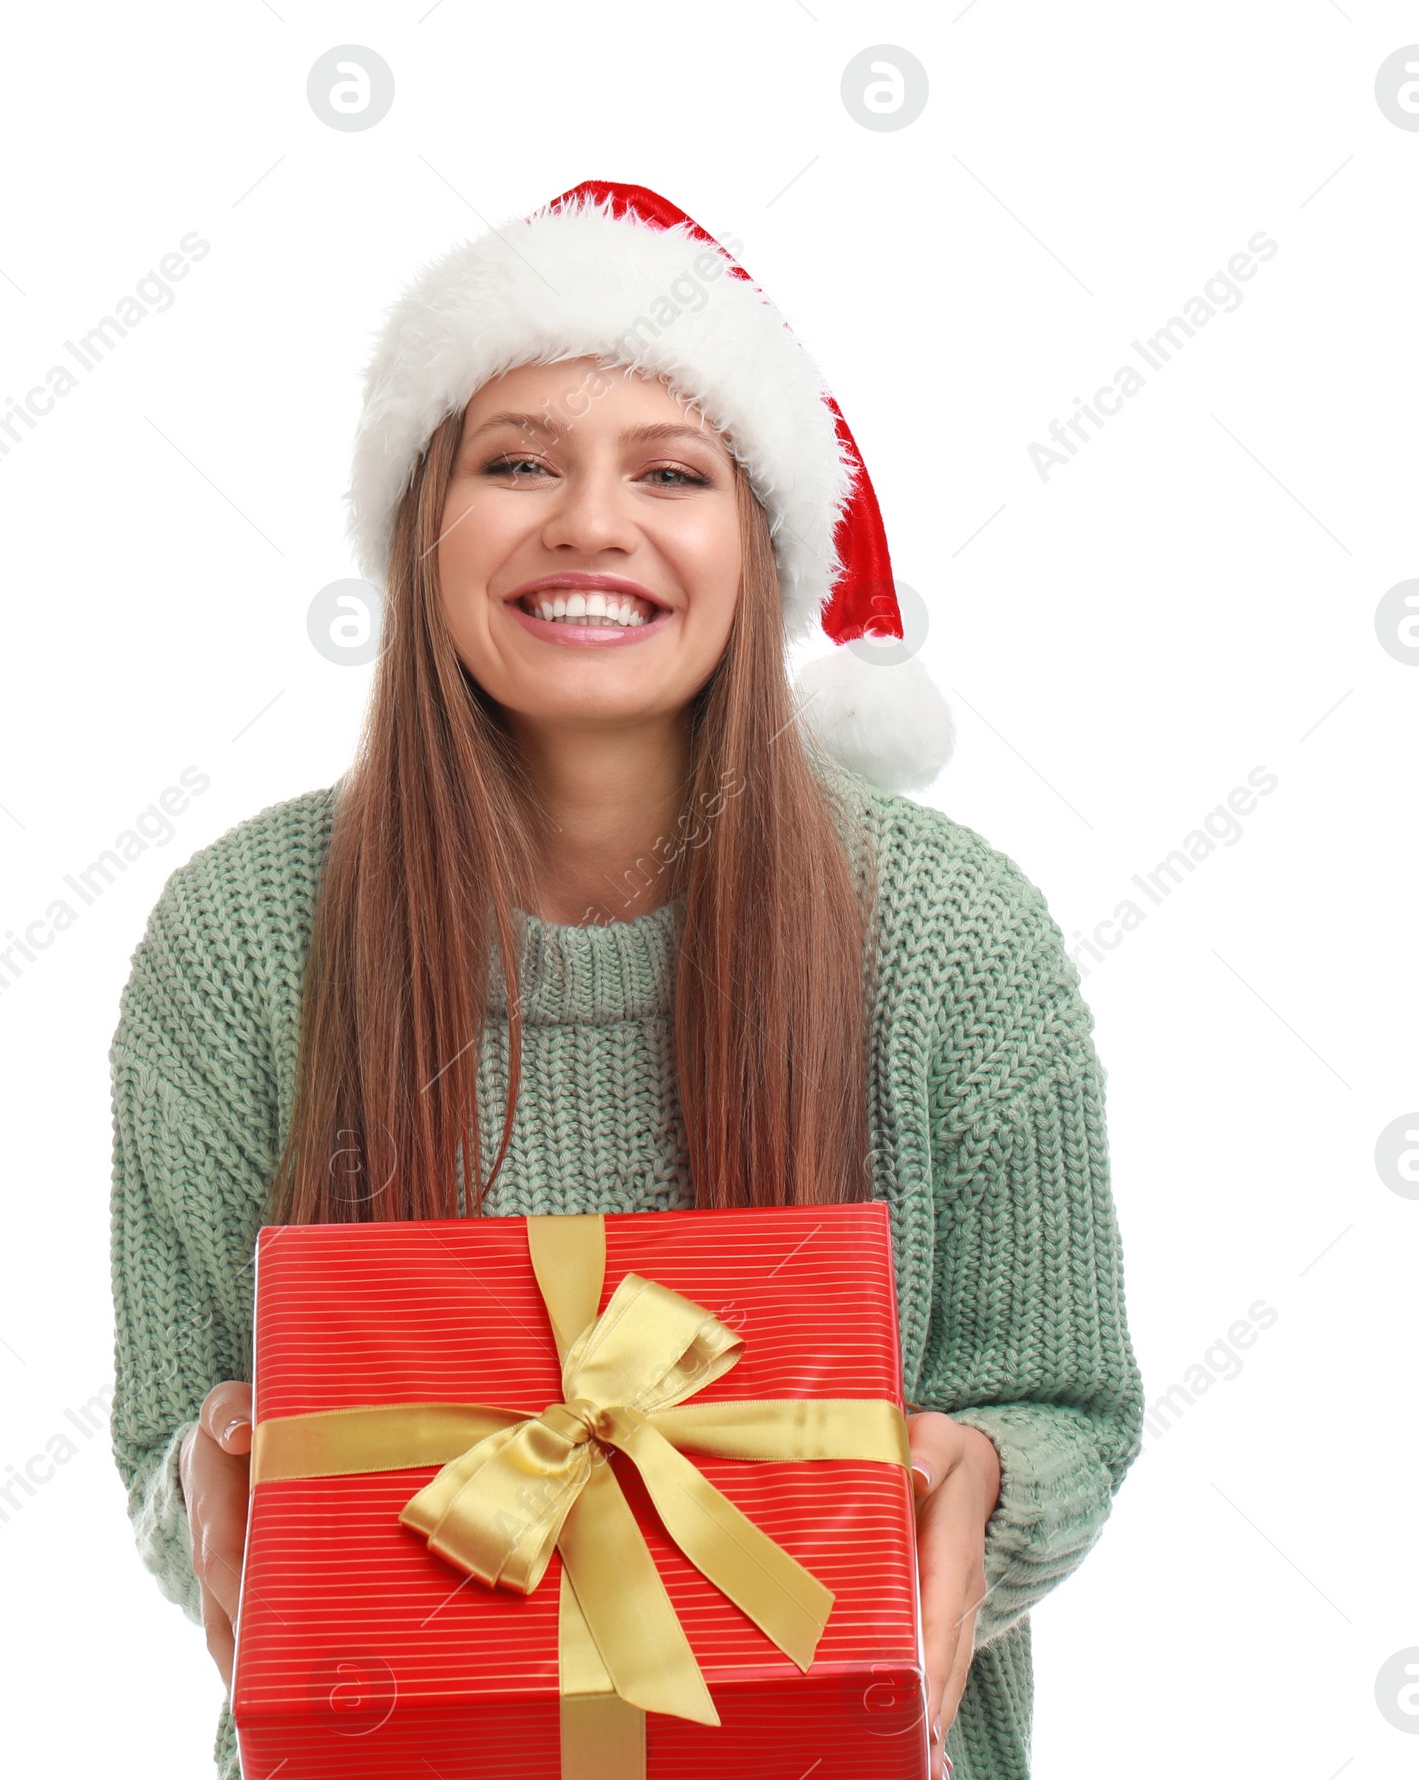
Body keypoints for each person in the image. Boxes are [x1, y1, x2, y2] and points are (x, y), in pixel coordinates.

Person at [108, 181, 1144, 1780]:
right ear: (420, 525)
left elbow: (1067, 1405)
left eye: (672, 472)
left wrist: (976, 1488)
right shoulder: (245, 935)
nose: (592, 523)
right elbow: (166, 1437)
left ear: (763, 544)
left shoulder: (948, 933)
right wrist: (221, 1493)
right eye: (518, 461)